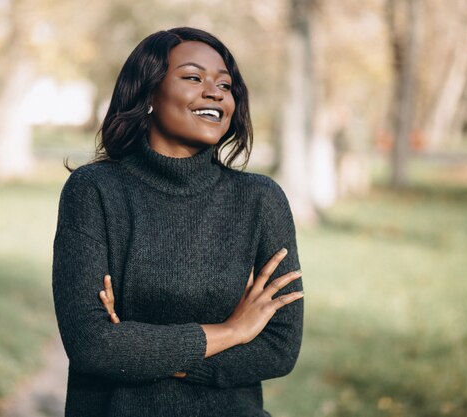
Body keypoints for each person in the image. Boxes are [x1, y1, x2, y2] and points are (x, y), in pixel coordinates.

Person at [52, 27, 304, 417]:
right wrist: (232, 332)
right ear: (149, 92)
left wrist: (142, 349)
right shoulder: (93, 191)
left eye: (226, 84)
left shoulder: (260, 199)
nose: (215, 92)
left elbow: (278, 348)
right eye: (192, 77)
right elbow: (93, 345)